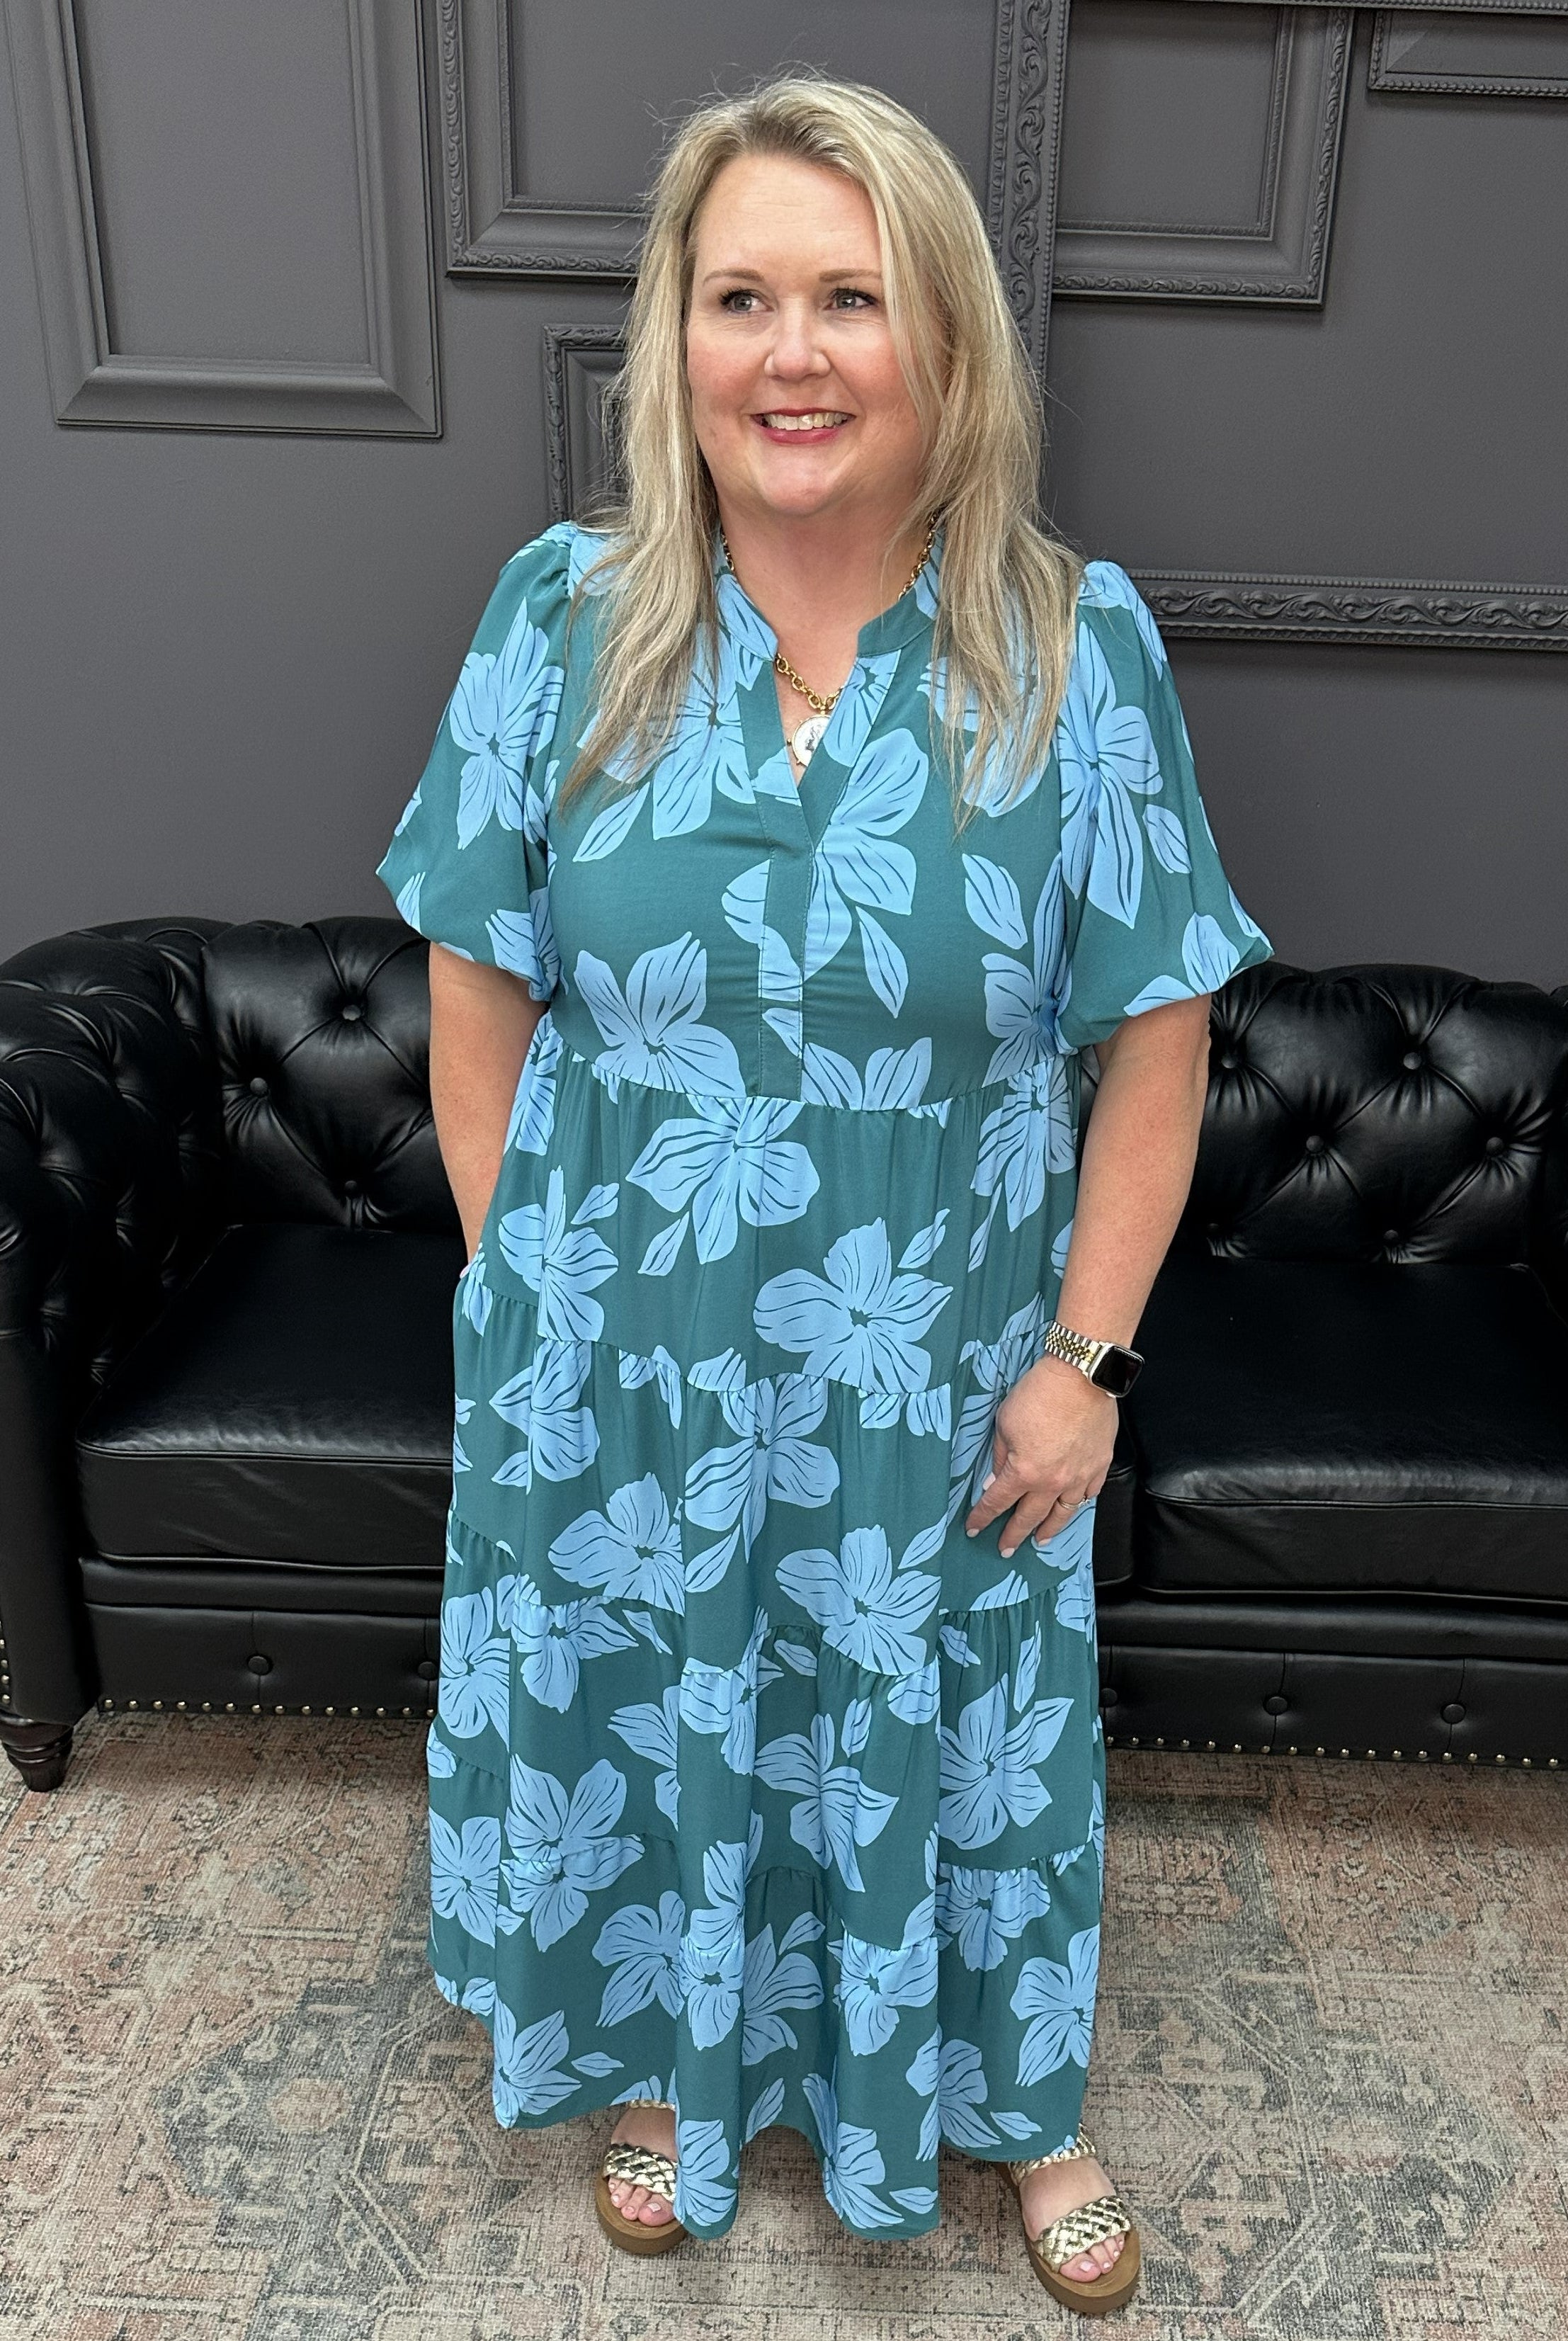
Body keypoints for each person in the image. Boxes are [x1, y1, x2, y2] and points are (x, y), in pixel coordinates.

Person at [375, 72, 1271, 2319]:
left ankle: (1018, 2102)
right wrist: (529, 1294)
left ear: (942, 342)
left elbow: (1154, 1053)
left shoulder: (1074, 649)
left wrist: (1082, 1364)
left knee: (958, 1742)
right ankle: (670, 2070)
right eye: (743, 293)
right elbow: (474, 992)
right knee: (661, 1705)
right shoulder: (560, 621)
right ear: (672, 336)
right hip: (625, 1364)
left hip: (937, 1381)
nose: (794, 351)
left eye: (851, 297)